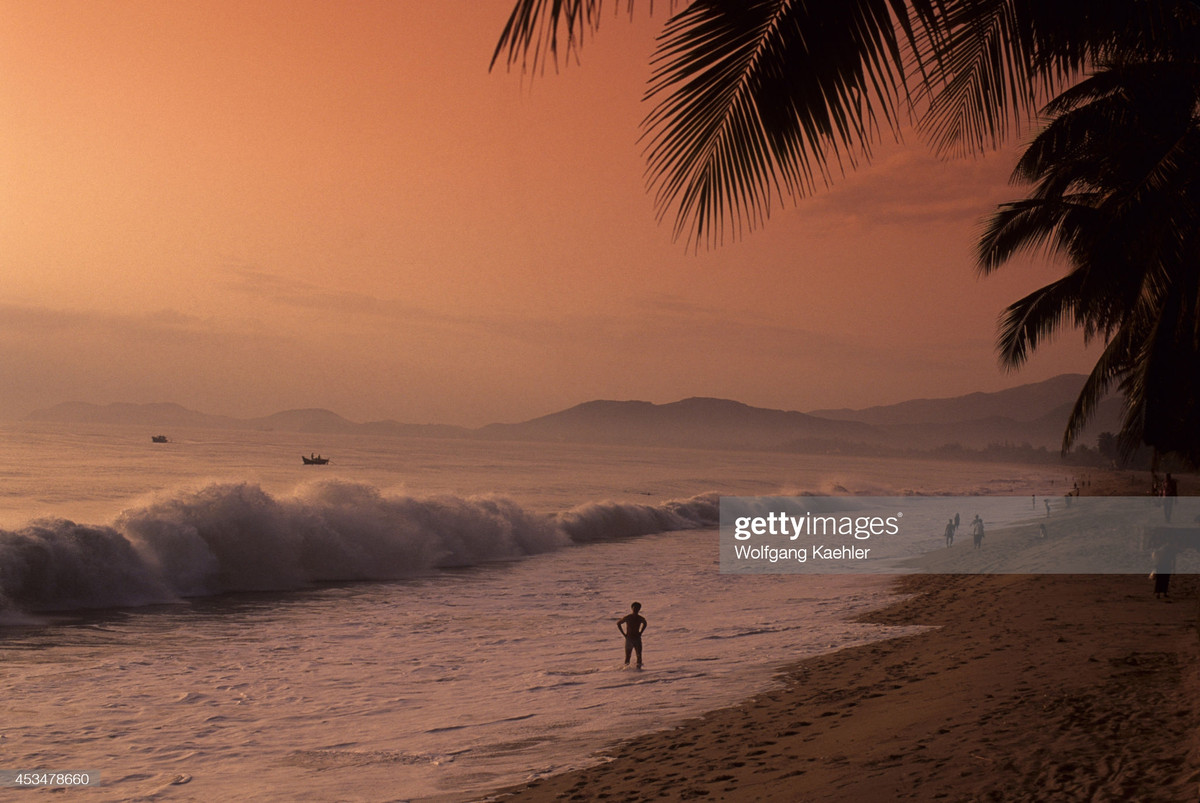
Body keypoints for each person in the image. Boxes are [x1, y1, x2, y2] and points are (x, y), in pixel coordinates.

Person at [617, 601, 648, 668]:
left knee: (639, 655)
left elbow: (645, 624)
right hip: (629, 638)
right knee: (628, 656)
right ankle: (626, 670)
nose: (636, 610)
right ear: (632, 608)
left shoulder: (640, 618)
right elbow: (618, 623)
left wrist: (641, 632)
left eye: (637, 608)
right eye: (634, 608)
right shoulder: (628, 617)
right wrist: (624, 634)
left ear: (639, 609)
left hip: (637, 638)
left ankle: (638, 670)